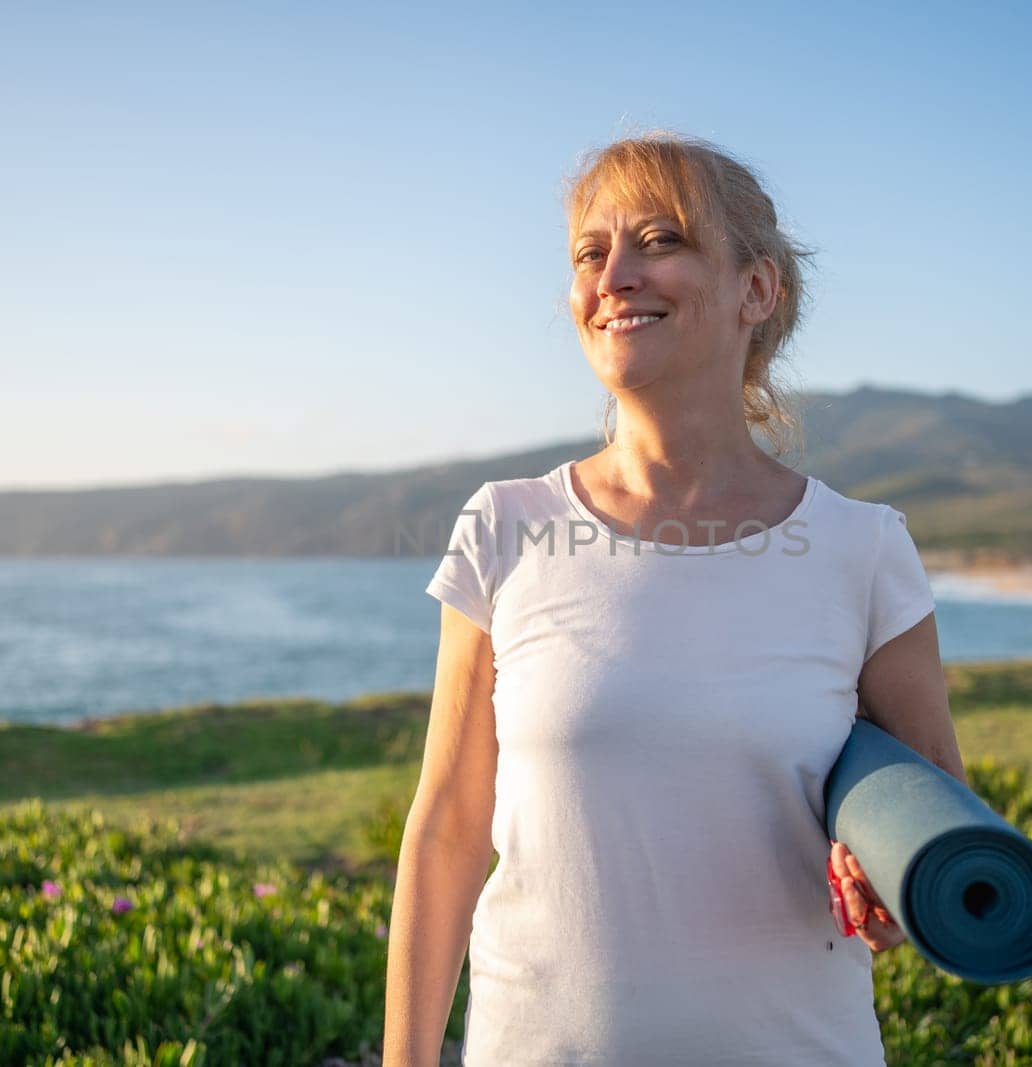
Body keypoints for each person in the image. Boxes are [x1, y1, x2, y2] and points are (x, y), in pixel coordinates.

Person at [384, 131, 968, 1066]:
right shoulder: (507, 525)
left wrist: (898, 885)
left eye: (660, 239)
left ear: (757, 289)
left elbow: (939, 825)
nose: (614, 274)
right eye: (590, 252)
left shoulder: (865, 549)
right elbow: (448, 827)